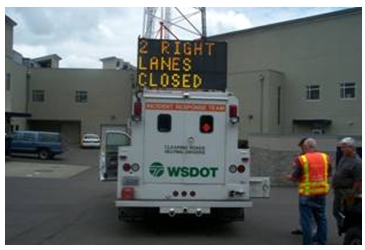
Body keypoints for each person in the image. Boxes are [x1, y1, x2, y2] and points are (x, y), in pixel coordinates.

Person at [286, 138, 331, 244]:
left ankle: (308, 244)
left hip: (307, 194)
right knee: (321, 219)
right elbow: (329, 173)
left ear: (306, 147)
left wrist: (289, 177)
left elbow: (296, 176)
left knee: (306, 221)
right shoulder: (325, 157)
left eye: (303, 147)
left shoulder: (302, 159)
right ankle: (321, 242)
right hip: (321, 193)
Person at [332, 137, 362, 234]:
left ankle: (349, 229)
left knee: (348, 213)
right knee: (336, 211)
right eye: (341, 147)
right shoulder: (344, 157)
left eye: (344, 147)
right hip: (339, 191)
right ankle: (343, 226)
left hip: (348, 192)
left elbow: (359, 181)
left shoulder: (357, 163)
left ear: (352, 147)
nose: (342, 149)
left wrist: (352, 194)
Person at [291, 137, 307, 235]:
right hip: (305, 187)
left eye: (301, 146)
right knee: (303, 210)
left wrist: (293, 177)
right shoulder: (302, 156)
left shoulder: (306, 157)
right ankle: (303, 228)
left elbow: (297, 168)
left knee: (310, 211)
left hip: (309, 188)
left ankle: (310, 232)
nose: (301, 148)